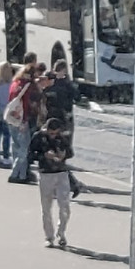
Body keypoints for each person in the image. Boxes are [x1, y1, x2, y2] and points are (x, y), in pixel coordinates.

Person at [29, 118, 74, 248]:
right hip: (46, 173)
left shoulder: (62, 137)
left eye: (55, 133)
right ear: (46, 129)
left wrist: (63, 155)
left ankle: (61, 233)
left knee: (64, 206)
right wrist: (44, 155)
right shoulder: (38, 137)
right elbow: (31, 154)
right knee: (46, 208)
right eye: (51, 133)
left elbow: (70, 152)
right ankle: (49, 236)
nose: (53, 135)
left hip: (61, 173)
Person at [42, 60, 83, 197]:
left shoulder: (59, 85)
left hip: (56, 123)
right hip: (59, 122)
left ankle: (68, 185)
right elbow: (76, 97)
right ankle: (69, 184)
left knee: (55, 156)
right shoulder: (63, 84)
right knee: (55, 156)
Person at [6, 63, 38, 184]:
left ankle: (22, 174)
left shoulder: (15, 83)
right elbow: (26, 105)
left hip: (12, 119)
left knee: (16, 147)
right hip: (22, 120)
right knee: (24, 149)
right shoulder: (28, 86)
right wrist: (24, 121)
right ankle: (15, 174)